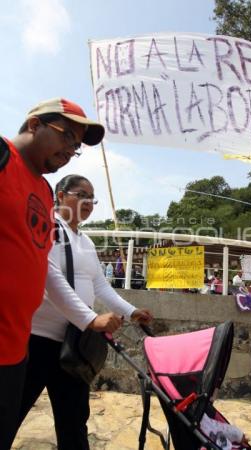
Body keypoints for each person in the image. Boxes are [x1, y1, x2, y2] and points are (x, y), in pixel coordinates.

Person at [15, 174, 153, 450]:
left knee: (74, 422)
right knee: (9, 415)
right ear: (60, 195)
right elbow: (49, 276)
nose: (88, 203)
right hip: (38, 340)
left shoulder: (86, 242)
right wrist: (91, 319)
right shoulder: (48, 228)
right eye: (82, 195)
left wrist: (131, 310)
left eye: (92, 198)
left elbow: (100, 285)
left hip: (73, 344)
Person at [0, 97, 105, 450]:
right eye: (66, 137)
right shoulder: (2, 158)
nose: (70, 150)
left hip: (15, 351)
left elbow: (40, 268)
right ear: (34, 125)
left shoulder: (44, 192)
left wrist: (94, 319)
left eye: (76, 148)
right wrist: (91, 318)